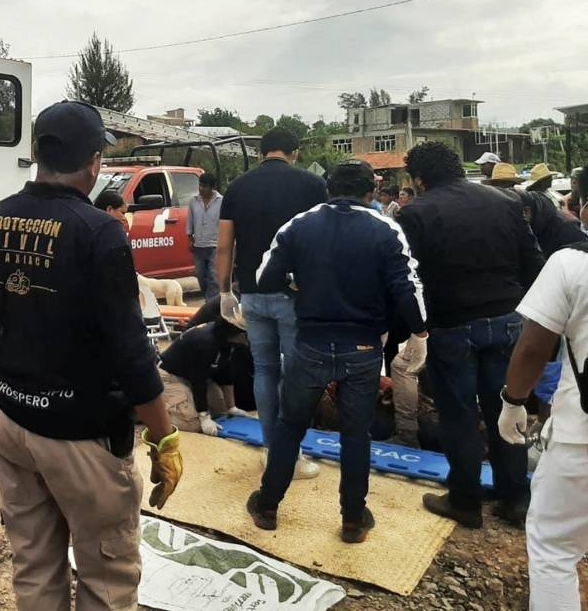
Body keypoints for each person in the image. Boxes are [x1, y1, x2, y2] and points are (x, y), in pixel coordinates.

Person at [0, 100, 182, 611]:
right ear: (96, 162)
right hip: (79, 435)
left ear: (36, 153)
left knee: (34, 565)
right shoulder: (99, 232)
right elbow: (131, 350)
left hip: (9, 420)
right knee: (107, 575)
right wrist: (164, 435)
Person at [247, 159, 428, 543]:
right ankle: (352, 519)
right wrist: (418, 332)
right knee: (355, 435)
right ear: (370, 194)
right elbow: (407, 289)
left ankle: (267, 506)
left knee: (290, 426)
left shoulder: (299, 224)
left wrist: (299, 285)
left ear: (329, 189)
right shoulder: (385, 228)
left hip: (309, 344)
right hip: (363, 348)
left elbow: (264, 279)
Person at [398, 141, 543, 528]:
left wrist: (415, 326)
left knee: (459, 417)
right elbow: (533, 263)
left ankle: (465, 500)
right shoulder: (506, 202)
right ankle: (515, 498)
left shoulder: (416, 214)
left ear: (420, 179)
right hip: (507, 320)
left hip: (451, 327)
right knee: (508, 409)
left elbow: (411, 280)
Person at [217, 127, 327, 480]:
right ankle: (289, 457)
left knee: (264, 369)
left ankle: (270, 449)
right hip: (294, 293)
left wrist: (223, 291)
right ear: (293, 152)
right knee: (295, 373)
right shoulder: (311, 185)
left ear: (262, 151)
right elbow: (322, 240)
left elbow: (224, 247)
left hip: (251, 293)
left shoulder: (238, 186)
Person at [498, 242, 588, 610]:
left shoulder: (572, 264)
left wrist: (513, 401)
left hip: (580, 436)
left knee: (554, 546)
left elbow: (535, 346)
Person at [159, 316, 249, 435]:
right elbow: (198, 381)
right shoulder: (205, 343)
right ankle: (149, 411)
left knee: (219, 412)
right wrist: (204, 417)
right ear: (241, 335)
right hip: (170, 376)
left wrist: (231, 407)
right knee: (193, 424)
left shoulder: (228, 338)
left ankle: (185, 403)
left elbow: (226, 371)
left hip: (194, 375)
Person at [188, 172, 222, 301]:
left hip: (215, 245)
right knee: (201, 276)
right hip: (199, 245)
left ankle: (211, 303)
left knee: (214, 276)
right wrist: (190, 238)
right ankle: (209, 299)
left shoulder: (221, 201)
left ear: (212, 187)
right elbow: (190, 221)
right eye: (200, 185)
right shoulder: (193, 201)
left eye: (205, 186)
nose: (201, 189)